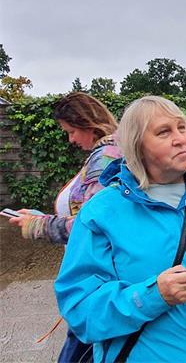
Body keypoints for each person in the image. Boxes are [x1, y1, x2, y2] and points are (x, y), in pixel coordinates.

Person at [54, 96, 186, 362]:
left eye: (182, 127)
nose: (180, 138)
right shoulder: (102, 212)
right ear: (138, 146)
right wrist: (152, 296)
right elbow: (80, 309)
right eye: (163, 132)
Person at [9, 92, 122, 362]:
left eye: (71, 131)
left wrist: (37, 225)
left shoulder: (106, 158)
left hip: (96, 279)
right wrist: (43, 216)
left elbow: (91, 227)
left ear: (88, 123)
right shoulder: (109, 152)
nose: (70, 139)